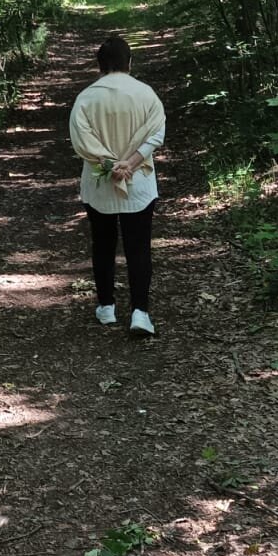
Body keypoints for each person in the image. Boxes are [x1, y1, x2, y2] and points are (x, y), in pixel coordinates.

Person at [68, 33, 166, 336]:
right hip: (139, 182)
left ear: (99, 65)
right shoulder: (146, 94)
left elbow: (81, 140)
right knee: (139, 246)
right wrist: (130, 163)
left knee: (103, 243)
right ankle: (140, 313)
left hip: (100, 182)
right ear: (129, 62)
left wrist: (110, 164)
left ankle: (107, 306)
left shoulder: (86, 98)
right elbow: (156, 133)